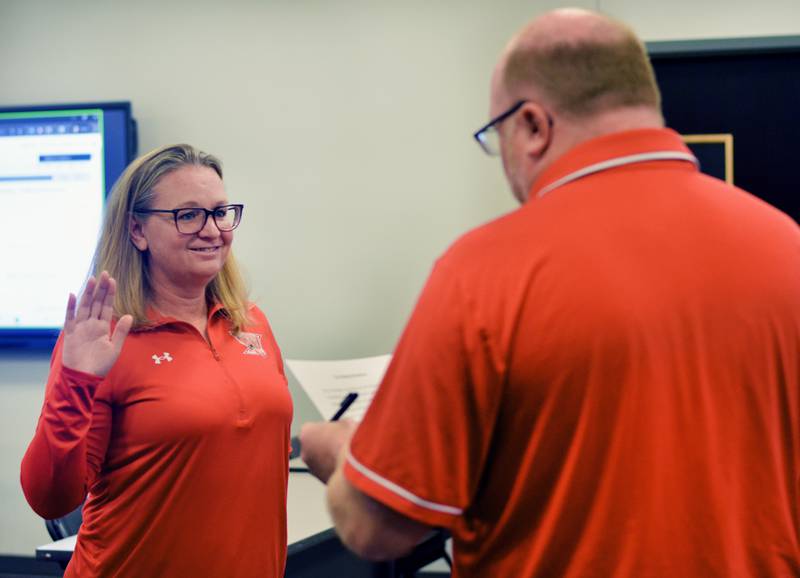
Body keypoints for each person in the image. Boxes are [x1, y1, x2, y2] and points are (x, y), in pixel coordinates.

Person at [299, 8, 800, 577]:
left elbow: (378, 527)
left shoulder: (485, 271)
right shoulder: (788, 245)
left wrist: (337, 449)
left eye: (497, 136)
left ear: (534, 125)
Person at [21, 144, 293, 577]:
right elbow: (49, 498)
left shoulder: (251, 323)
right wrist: (74, 383)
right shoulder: (105, 337)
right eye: (188, 215)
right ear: (137, 231)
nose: (212, 230)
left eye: (221, 212)